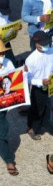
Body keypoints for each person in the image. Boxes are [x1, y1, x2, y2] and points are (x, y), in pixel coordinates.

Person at [24, 30, 53, 141]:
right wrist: (41, 82)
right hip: (38, 88)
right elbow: (29, 78)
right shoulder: (30, 60)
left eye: (47, 43)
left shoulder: (52, 51)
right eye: (43, 44)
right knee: (36, 109)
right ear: (36, 44)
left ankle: (48, 126)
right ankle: (31, 128)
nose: (46, 46)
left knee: (50, 108)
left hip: (52, 86)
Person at [0, 43, 17, 176]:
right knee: (2, 132)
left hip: (4, 103)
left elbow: (14, 79)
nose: (2, 56)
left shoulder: (8, 62)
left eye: (3, 53)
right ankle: (9, 159)